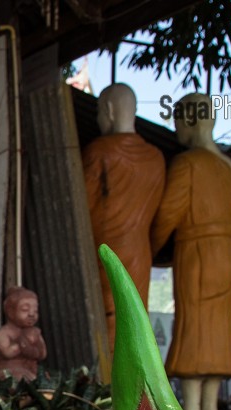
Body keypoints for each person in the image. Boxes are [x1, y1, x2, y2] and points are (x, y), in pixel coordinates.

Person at [150, 92, 231, 410]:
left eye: (177, 121)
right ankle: (210, 406)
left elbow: (167, 215)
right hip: (227, 256)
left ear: (189, 120)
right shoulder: (230, 168)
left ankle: (191, 409)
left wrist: (151, 250)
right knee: (218, 327)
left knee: (194, 324)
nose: (176, 130)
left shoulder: (188, 163)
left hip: (197, 252)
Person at [82, 83, 166, 349]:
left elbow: (84, 206)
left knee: (107, 316)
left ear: (108, 110)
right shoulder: (156, 158)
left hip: (105, 247)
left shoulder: (101, 151)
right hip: (141, 251)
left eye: (98, 112)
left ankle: (107, 382)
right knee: (134, 318)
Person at [0, 286, 46, 381]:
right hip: (9, 372)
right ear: (10, 312)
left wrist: (36, 349)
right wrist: (25, 341)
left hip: (31, 370)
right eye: (25, 309)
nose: (31, 314)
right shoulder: (3, 332)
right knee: (18, 379)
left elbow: (43, 353)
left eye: (35, 311)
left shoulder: (35, 332)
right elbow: (8, 352)